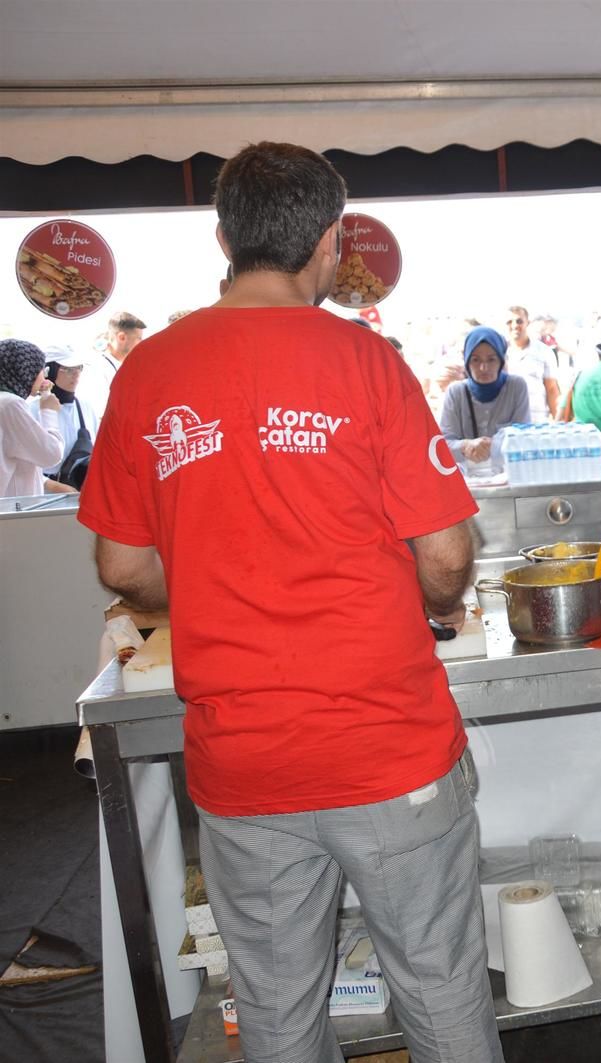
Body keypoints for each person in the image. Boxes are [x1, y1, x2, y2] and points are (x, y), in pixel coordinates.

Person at [75, 141, 501, 1063]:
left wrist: (210, 579)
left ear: (223, 236)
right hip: (390, 748)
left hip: (244, 762)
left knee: (275, 1014)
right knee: (441, 994)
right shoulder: (366, 362)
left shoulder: (147, 371)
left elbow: (121, 561)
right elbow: (446, 549)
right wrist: (437, 600)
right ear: (330, 243)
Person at [439, 326, 532, 469]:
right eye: (476, 360)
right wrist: (466, 445)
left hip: (510, 478)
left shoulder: (516, 386)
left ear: (501, 361)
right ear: (467, 361)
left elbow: (523, 438)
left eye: (491, 359)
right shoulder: (456, 392)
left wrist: (488, 446)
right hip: (468, 482)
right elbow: (443, 446)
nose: (483, 368)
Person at [0, 339, 64, 498]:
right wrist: (49, 412)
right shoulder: (10, 404)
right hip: (14, 513)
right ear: (25, 371)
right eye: (43, 370)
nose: (45, 378)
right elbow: (51, 454)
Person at [42, 345, 98, 492]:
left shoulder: (86, 406)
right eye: (68, 369)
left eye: (79, 368)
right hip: (44, 498)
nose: (76, 374)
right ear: (50, 371)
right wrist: (53, 486)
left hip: (81, 493)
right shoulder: (32, 409)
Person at [77, 310, 145, 419]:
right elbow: (98, 414)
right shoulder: (96, 369)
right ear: (121, 337)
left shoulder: (125, 368)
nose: (142, 344)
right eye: (139, 338)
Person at [505, 305, 559, 418]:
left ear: (527, 323)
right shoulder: (499, 353)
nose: (515, 325)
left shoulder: (544, 351)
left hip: (536, 424)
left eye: (519, 321)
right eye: (510, 321)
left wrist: (558, 422)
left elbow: (552, 389)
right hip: (507, 423)